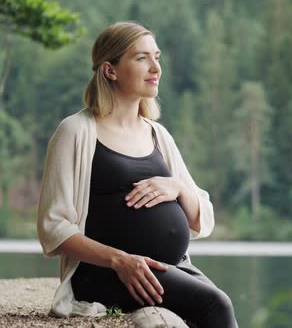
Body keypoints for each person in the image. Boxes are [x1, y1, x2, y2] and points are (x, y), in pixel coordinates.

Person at [36, 21, 238, 328]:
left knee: (217, 302)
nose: (155, 67)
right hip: (106, 274)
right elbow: (53, 228)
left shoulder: (158, 135)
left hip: (168, 268)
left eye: (157, 57)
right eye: (141, 58)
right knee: (215, 304)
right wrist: (120, 261)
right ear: (110, 70)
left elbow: (202, 217)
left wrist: (178, 189)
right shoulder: (75, 132)